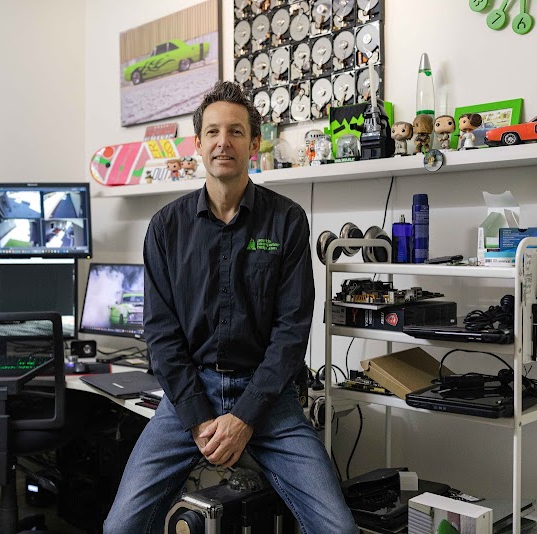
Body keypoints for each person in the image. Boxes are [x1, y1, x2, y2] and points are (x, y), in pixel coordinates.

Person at [103, 81, 358, 534]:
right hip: (189, 395)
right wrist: (199, 418)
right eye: (214, 132)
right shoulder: (165, 228)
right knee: (120, 527)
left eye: (236, 132)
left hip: (268, 398)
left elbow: (291, 331)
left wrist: (244, 418)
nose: (224, 142)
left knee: (338, 528)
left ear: (254, 144)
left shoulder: (287, 221)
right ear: (198, 144)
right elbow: (160, 334)